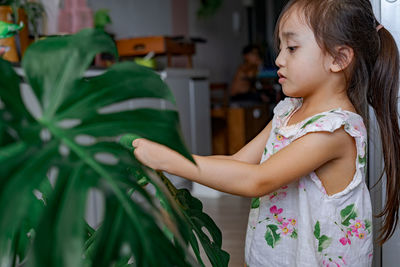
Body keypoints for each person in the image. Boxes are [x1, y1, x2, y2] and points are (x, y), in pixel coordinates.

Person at [131, 0, 400, 266]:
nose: (279, 59)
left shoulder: (334, 130)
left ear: (338, 59)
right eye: (281, 47)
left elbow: (258, 180)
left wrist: (168, 161)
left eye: (292, 48)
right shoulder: (288, 112)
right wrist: (174, 157)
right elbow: (239, 161)